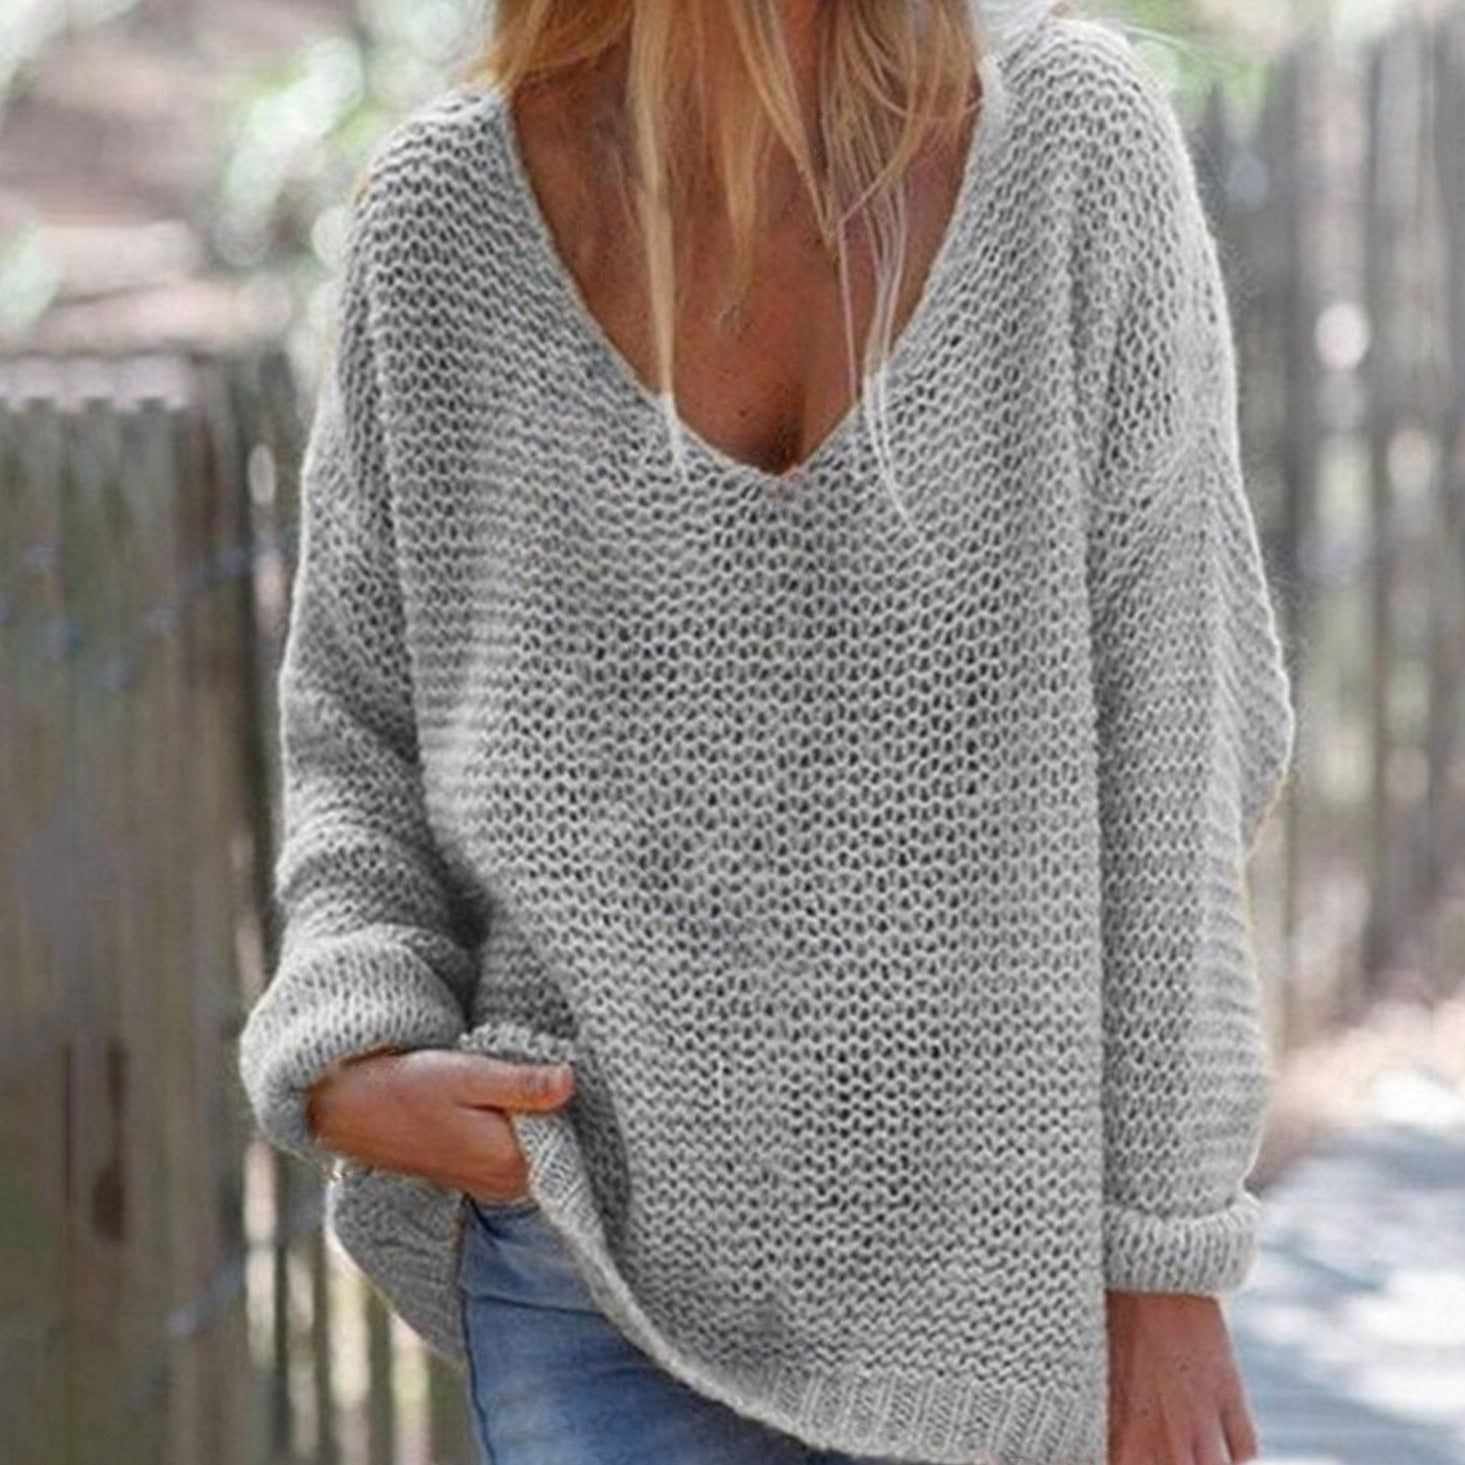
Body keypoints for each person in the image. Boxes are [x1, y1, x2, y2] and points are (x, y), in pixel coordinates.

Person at [236, 2, 1296, 1463]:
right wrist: (354, 1040)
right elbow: (357, 730)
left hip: (1000, 1309)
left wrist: (1166, 1259)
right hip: (593, 1276)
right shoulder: (443, 221)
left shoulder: (1068, 145)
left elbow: (1179, 742)